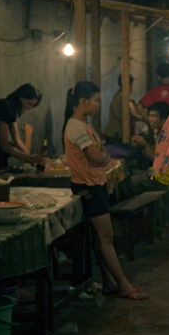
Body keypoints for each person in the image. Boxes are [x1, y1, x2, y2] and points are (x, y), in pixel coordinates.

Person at [63, 81, 148, 300]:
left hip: (93, 184)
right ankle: (124, 285)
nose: (99, 104)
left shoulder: (82, 125)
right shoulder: (76, 126)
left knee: (99, 237)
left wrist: (103, 155)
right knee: (106, 237)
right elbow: (97, 156)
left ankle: (110, 282)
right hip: (88, 186)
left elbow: (100, 153)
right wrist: (103, 156)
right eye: (97, 100)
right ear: (84, 101)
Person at [130, 101, 169, 192]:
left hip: (162, 179)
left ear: (164, 119)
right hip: (161, 175)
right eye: (150, 115)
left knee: (129, 182)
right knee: (130, 173)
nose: (150, 119)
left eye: (154, 116)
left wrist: (145, 145)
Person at [104, 74, 145, 144]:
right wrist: (144, 118)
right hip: (116, 134)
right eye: (133, 86)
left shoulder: (121, 97)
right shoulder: (121, 98)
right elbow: (130, 114)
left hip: (116, 133)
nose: (133, 88)